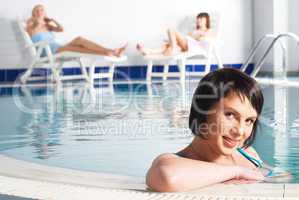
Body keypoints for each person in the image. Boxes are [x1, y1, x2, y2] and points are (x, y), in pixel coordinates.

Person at [146, 68, 292, 192]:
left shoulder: (247, 154)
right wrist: (236, 171)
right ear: (202, 111)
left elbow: (282, 176)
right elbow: (167, 176)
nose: (240, 131)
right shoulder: (175, 162)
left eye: (249, 121)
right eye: (230, 115)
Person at [26, 4, 127, 57]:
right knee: (76, 47)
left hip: (58, 48)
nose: (40, 11)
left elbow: (62, 29)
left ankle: (109, 51)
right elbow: (35, 26)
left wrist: (53, 20)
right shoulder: (30, 26)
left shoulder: (47, 26)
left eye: (42, 10)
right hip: (47, 52)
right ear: (34, 13)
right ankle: (110, 52)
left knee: (80, 40)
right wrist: (38, 20)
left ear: (45, 12)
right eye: (37, 10)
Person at [136, 12, 214, 56]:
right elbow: (187, 37)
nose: (198, 20)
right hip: (185, 45)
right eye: (198, 19)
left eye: (201, 19)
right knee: (166, 46)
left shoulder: (208, 30)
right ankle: (147, 51)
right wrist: (171, 40)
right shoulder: (194, 30)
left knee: (171, 30)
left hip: (192, 47)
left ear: (206, 20)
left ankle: (173, 48)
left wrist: (198, 36)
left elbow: (204, 39)